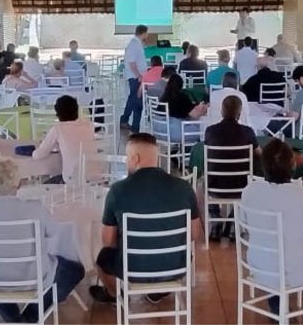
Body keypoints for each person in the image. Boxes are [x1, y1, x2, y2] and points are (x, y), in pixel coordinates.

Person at [0, 157, 85, 323]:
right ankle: (30, 316)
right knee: (75, 270)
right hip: (35, 277)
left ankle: (14, 319)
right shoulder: (35, 208)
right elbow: (54, 232)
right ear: (18, 183)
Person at [88, 133, 202, 304]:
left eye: (127, 157)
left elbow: (108, 241)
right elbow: (195, 234)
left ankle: (114, 295)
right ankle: (159, 290)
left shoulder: (118, 191)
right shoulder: (183, 188)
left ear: (135, 158)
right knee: (172, 253)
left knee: (103, 257)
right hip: (176, 266)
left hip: (131, 268)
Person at [241, 139, 303, 324]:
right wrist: (300, 251)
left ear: (262, 164)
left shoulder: (249, 191)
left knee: (273, 254)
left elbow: (246, 226)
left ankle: (278, 310)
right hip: (292, 271)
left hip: (259, 267)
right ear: (293, 164)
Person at [204, 96, 259, 239]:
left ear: (221, 111)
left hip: (215, 186)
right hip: (241, 186)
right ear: (239, 113)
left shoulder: (210, 131)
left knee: (201, 182)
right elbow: (258, 153)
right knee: (253, 181)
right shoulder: (248, 132)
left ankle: (215, 220)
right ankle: (233, 220)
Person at [33, 95, 97, 185]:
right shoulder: (89, 125)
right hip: (95, 177)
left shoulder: (58, 129)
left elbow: (39, 154)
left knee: (44, 185)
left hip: (72, 179)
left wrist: (33, 151)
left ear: (58, 113)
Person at [157, 74, 207, 141]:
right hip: (176, 133)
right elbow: (194, 115)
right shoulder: (182, 97)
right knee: (203, 130)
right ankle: (192, 149)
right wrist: (203, 108)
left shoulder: (163, 97)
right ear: (181, 85)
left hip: (159, 130)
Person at [120, 25, 148, 133]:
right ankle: (134, 126)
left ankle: (125, 120)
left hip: (137, 76)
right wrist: (138, 75)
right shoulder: (134, 44)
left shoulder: (137, 44)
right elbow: (131, 62)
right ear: (144, 33)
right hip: (135, 77)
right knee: (137, 102)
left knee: (133, 99)